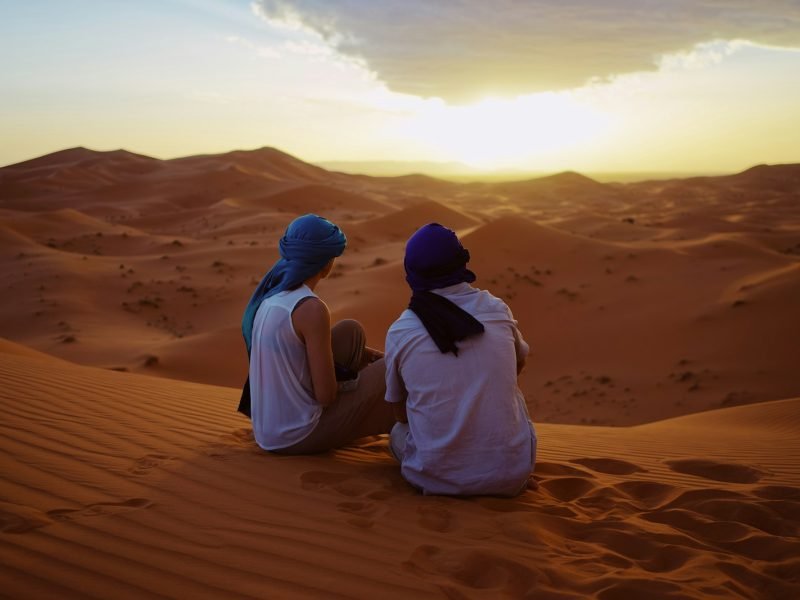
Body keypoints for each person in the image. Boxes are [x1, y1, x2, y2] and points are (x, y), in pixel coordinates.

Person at [384, 223, 537, 496]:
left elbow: (399, 413)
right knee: (514, 395)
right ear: (460, 261)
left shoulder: (402, 329)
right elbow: (518, 365)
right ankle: (503, 463)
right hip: (512, 478)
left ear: (411, 271)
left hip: (433, 478)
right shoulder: (497, 309)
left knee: (397, 432)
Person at [240, 214, 394, 454]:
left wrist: (366, 358)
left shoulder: (271, 297)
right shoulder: (310, 308)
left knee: (350, 332)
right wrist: (362, 382)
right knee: (394, 367)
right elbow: (326, 395)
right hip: (298, 434)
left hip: (268, 431)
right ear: (326, 263)